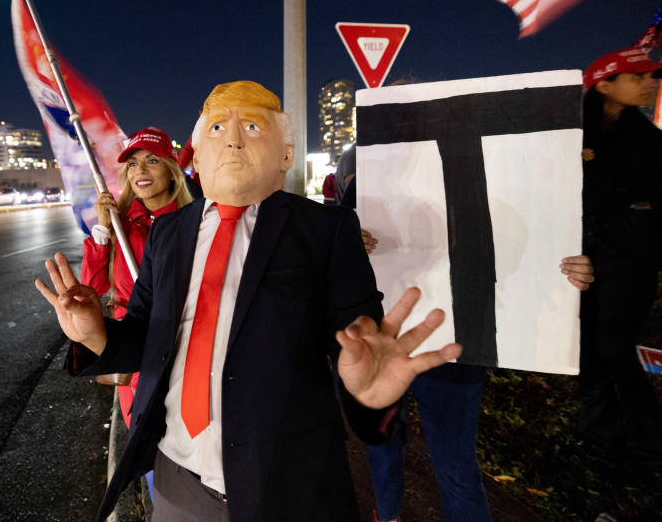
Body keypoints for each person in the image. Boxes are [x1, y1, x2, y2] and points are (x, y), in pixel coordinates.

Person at [35, 80, 461, 522]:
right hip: (179, 478)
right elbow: (146, 331)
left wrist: (367, 394)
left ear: (286, 156)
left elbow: (359, 345)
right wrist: (97, 334)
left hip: (289, 482)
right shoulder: (169, 232)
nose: (234, 139)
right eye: (218, 129)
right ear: (196, 158)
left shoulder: (324, 230)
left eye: (253, 127)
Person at [364, 256, 593, 522]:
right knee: (381, 439)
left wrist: (567, 270)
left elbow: (537, 237)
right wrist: (345, 242)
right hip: (377, 321)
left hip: (456, 333)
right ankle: (387, 514)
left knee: (456, 462)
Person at [578, 47, 662, 465]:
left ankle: (649, 445)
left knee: (615, 349)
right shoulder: (573, 132)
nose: (651, 84)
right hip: (581, 263)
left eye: (652, 77)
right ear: (604, 84)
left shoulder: (649, 139)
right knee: (587, 352)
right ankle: (600, 438)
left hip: (630, 265)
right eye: (639, 77)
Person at [81, 126, 193, 428]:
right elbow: (93, 287)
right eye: (132, 163)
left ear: (171, 170)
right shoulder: (122, 224)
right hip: (136, 350)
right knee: (143, 432)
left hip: (183, 346)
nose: (140, 170)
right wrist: (104, 230)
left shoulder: (194, 221)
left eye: (152, 160)